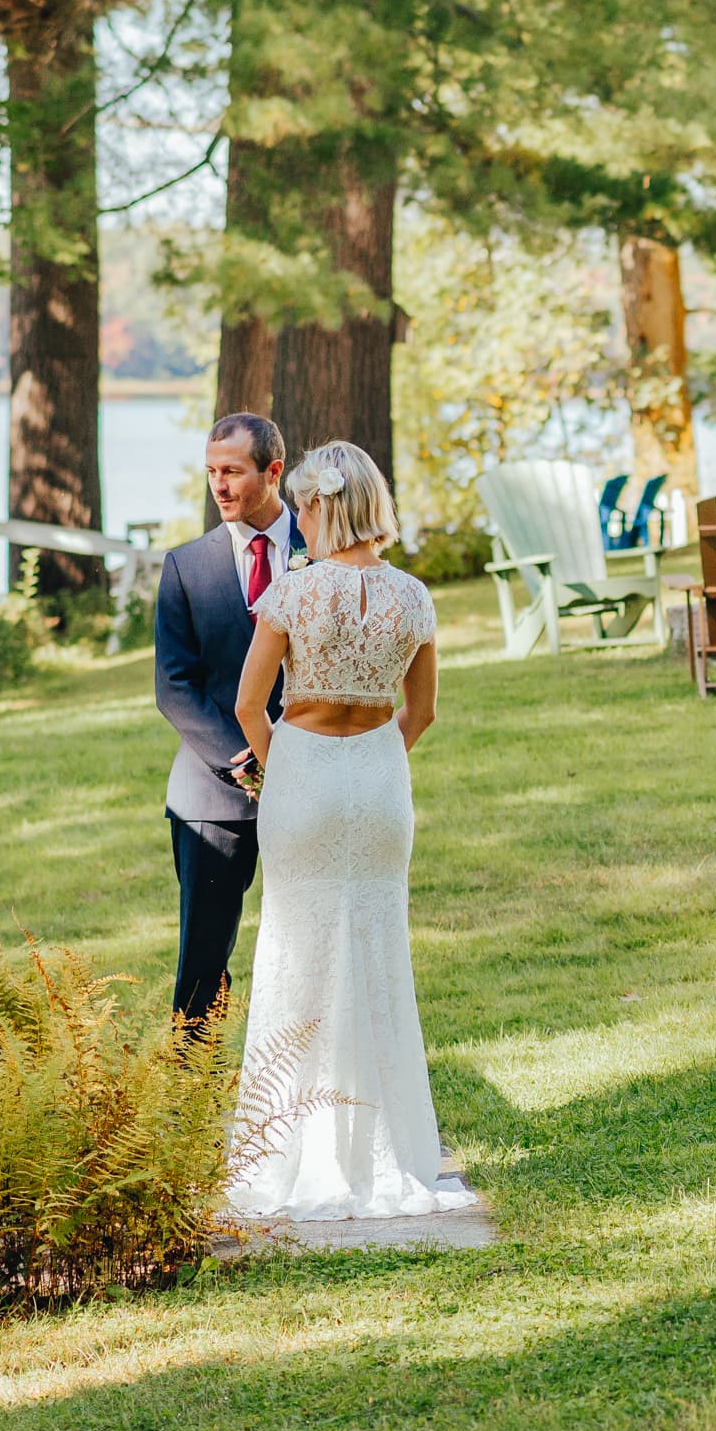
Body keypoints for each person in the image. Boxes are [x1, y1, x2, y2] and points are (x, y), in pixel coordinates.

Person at [225, 440, 473, 1220]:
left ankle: (284, 1152)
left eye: (302, 505)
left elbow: (246, 707)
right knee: (376, 953)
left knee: (294, 953)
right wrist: (374, 763)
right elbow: (422, 712)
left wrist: (287, 769)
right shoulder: (415, 597)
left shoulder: (293, 597)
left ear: (325, 506)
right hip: (378, 781)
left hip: (302, 774)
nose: (297, 518)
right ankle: (386, 1153)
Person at [154, 413, 301, 1032]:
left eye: (232, 472)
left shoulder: (321, 555)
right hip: (214, 792)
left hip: (312, 774)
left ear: (273, 472)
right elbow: (173, 685)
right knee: (203, 958)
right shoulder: (186, 567)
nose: (219, 486)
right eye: (212, 472)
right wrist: (243, 755)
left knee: (313, 944)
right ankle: (187, 1093)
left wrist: (294, 751)